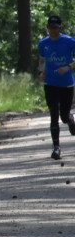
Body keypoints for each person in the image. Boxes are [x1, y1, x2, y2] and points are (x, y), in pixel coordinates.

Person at [36, 15, 75, 160]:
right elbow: (42, 60)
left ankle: (70, 120)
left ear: (60, 28)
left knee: (63, 116)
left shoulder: (69, 42)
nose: (53, 30)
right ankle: (56, 147)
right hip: (50, 83)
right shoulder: (43, 43)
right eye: (51, 28)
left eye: (55, 28)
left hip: (66, 83)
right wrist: (41, 72)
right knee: (53, 114)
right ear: (47, 28)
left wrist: (68, 67)